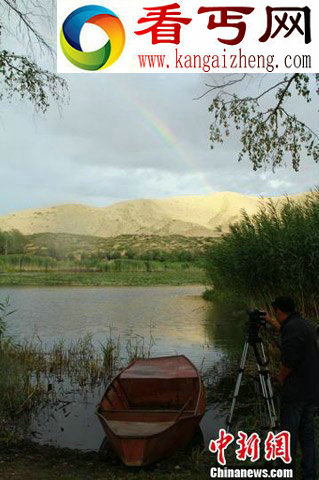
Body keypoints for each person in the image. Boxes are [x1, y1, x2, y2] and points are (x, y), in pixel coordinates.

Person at [265, 296, 319, 480]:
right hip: (311, 392)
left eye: (275, 313)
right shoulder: (302, 324)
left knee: (288, 437)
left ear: (280, 311)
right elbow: (286, 332)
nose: (275, 315)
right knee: (307, 436)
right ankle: (309, 474)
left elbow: (289, 361)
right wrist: (269, 321)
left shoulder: (293, 328)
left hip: (296, 394)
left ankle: (286, 472)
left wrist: (280, 377)